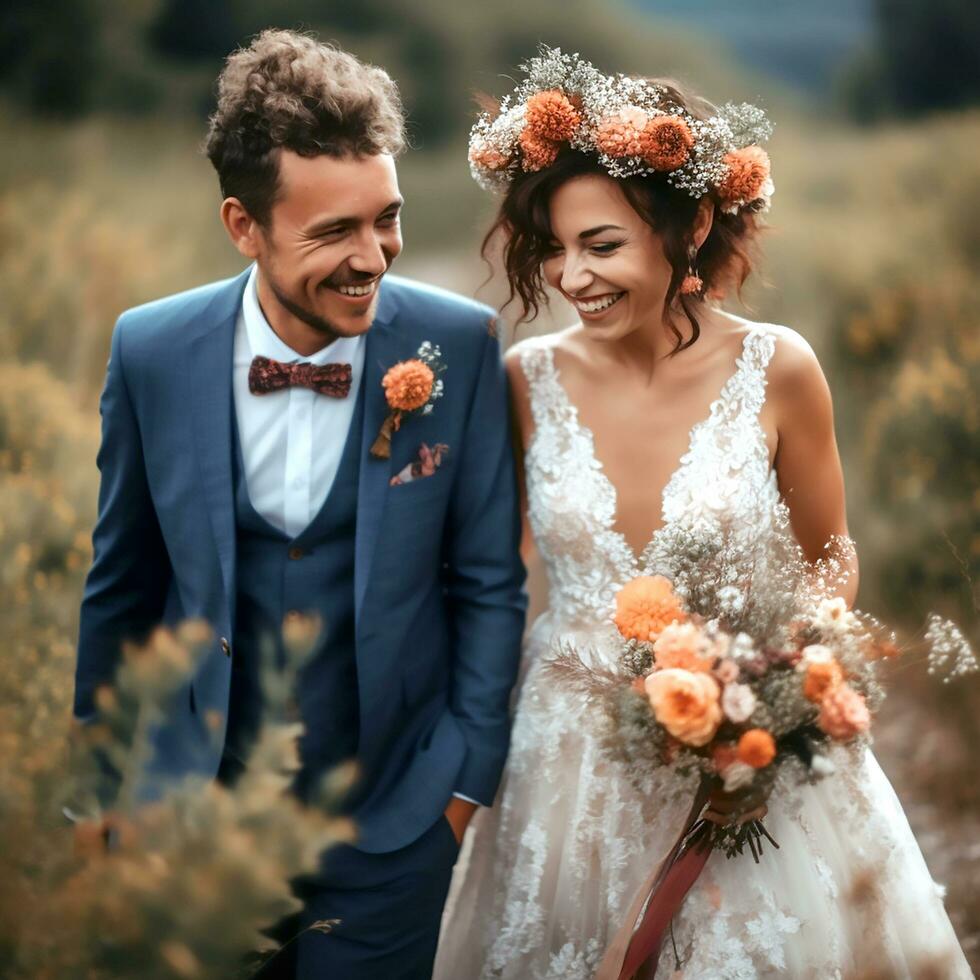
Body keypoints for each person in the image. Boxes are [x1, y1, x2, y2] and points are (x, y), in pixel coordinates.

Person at [434, 48, 971, 979]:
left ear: (691, 227)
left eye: (601, 245)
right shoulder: (527, 382)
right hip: (569, 752)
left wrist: (779, 678)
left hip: (745, 733)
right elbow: (493, 578)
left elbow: (830, 553)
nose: (570, 276)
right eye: (554, 249)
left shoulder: (780, 368)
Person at [72, 29, 526, 979]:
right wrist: (103, 796)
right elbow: (120, 584)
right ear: (244, 225)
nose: (375, 258)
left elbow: (489, 582)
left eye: (387, 219)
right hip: (190, 822)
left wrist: (459, 790)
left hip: (395, 825)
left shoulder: (460, 346)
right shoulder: (151, 350)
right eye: (334, 233)